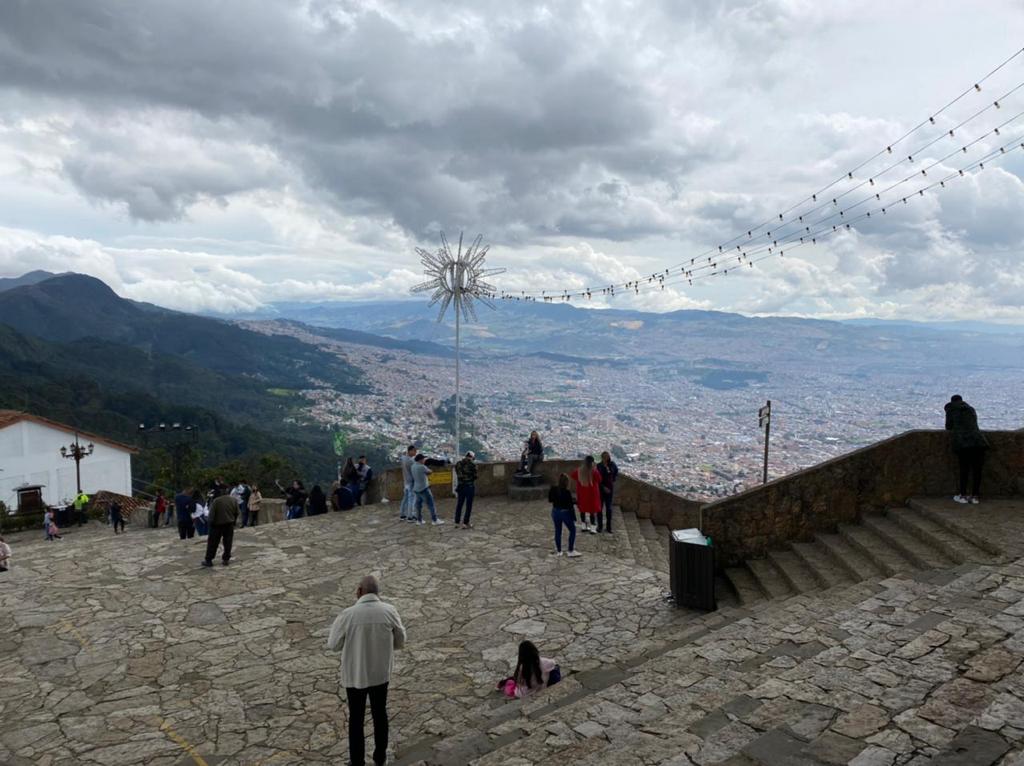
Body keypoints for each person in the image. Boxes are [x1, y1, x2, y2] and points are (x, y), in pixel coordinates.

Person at [327, 575, 406, 766]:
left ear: (360, 591)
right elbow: (401, 641)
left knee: (356, 720)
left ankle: (357, 762)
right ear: (377, 592)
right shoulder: (389, 611)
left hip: (356, 675)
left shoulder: (348, 614)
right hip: (380, 674)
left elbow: (333, 645)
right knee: (380, 715)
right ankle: (380, 757)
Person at [944, 394, 990, 504]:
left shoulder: (951, 409)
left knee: (964, 470)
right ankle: (975, 496)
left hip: (963, 444)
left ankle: (963, 495)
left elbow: (948, 426)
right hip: (979, 442)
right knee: (977, 471)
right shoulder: (970, 409)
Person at [202, 490, 239, 567]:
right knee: (228, 542)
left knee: (213, 543)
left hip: (217, 525)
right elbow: (237, 512)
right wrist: (234, 521)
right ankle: (226, 559)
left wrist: (210, 523)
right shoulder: (233, 500)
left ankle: (209, 560)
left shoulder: (216, 501)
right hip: (229, 524)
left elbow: (211, 515)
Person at [549, 473, 581, 557]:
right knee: (573, 530)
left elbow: (550, 499)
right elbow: (569, 504)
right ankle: (570, 550)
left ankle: (559, 551)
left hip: (555, 512)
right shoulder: (567, 492)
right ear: (566, 482)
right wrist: (575, 501)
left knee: (558, 531)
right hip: (564, 513)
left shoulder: (553, 489)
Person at [571, 455, 602, 534]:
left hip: (582, 493)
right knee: (592, 512)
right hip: (592, 494)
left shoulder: (580, 470)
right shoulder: (594, 471)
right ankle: (592, 528)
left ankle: (584, 527)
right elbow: (599, 479)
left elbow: (573, 475)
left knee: (582, 511)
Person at [411, 454, 442, 525]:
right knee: (431, 504)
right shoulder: (422, 467)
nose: (424, 460)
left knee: (418, 506)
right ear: (420, 460)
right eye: (423, 459)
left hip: (416, 488)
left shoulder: (413, 466)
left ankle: (419, 520)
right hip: (424, 488)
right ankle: (435, 520)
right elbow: (430, 472)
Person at [596, 451, 619, 534]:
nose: (606, 458)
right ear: (602, 457)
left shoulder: (612, 464)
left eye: (607, 456)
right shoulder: (599, 466)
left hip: (610, 490)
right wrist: (603, 487)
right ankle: (600, 526)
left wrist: (613, 479)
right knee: (599, 509)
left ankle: (609, 527)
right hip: (601, 490)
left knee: (609, 509)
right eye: (605, 457)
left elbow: (616, 472)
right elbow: (597, 479)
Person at [454, 451, 477, 529]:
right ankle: (465, 523)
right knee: (468, 505)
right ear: (472, 457)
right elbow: (475, 476)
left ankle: (457, 522)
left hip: (460, 486)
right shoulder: (473, 464)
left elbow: (458, 474)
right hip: (469, 487)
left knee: (459, 504)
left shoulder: (458, 464)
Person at [399, 445, 418, 522]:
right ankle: (410, 516)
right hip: (411, 482)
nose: (415, 453)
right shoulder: (411, 461)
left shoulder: (403, 458)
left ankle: (402, 514)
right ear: (410, 451)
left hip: (406, 481)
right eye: (414, 451)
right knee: (411, 499)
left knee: (405, 499)